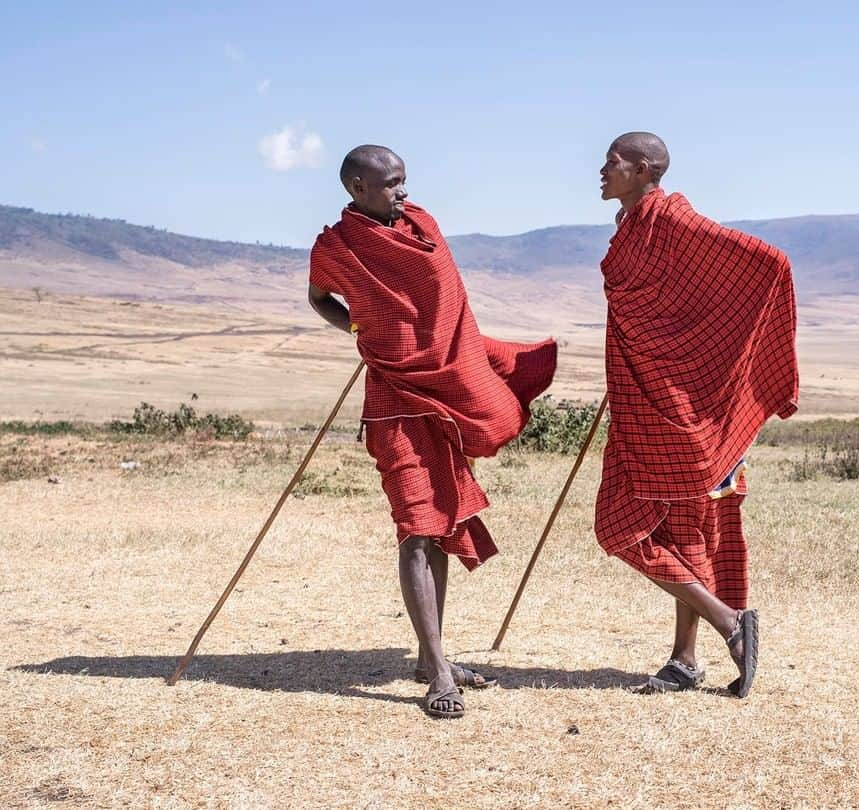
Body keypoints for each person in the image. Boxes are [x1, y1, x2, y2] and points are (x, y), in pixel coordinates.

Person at [308, 145, 557, 718]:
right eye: (390, 183)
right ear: (356, 187)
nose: (402, 191)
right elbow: (319, 298)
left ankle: (429, 655)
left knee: (438, 526)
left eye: (403, 180)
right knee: (417, 529)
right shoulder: (337, 248)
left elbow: (448, 308)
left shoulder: (424, 228)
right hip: (394, 402)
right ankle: (440, 674)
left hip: (440, 397)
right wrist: (360, 329)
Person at [595, 132, 798, 698]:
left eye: (612, 162)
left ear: (641, 169)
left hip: (689, 411)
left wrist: (704, 364)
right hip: (650, 402)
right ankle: (685, 660)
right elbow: (660, 312)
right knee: (684, 534)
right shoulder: (633, 228)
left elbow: (768, 264)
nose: (601, 170)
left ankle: (730, 623)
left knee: (616, 527)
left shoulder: (674, 222)